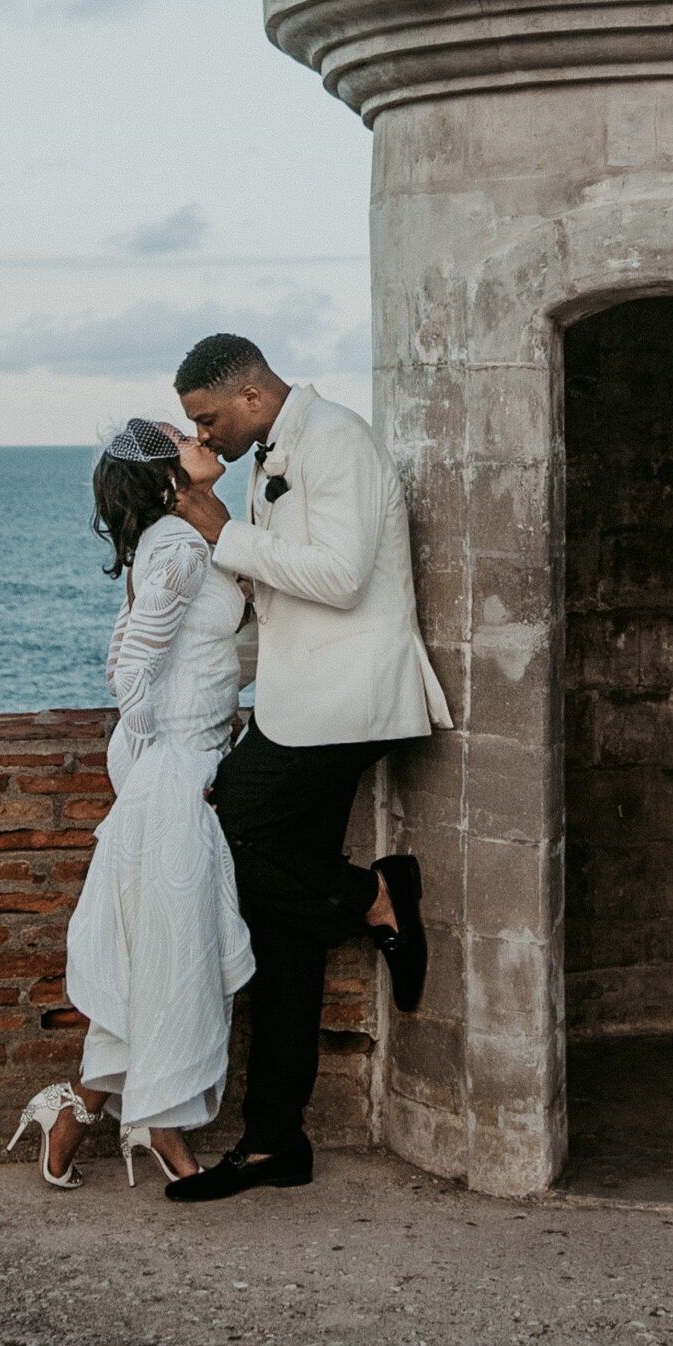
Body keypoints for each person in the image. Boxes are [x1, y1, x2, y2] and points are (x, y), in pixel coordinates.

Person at [164, 332, 451, 1203]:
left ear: (251, 394)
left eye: (209, 419)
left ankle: (373, 896)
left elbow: (338, 576)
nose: (204, 438)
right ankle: (272, 1142)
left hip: (347, 702)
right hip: (298, 703)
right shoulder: (274, 450)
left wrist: (222, 532)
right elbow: (279, 599)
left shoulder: (335, 439)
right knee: (276, 928)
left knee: (229, 835)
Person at [7, 417, 254, 1189]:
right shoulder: (180, 547)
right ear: (165, 477)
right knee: (177, 954)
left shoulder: (182, 540)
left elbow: (173, 652)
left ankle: (79, 1113)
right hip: (176, 772)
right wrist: (166, 753)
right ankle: (165, 1133)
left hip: (187, 764)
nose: (200, 436)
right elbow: (128, 673)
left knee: (162, 951)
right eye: (182, 437)